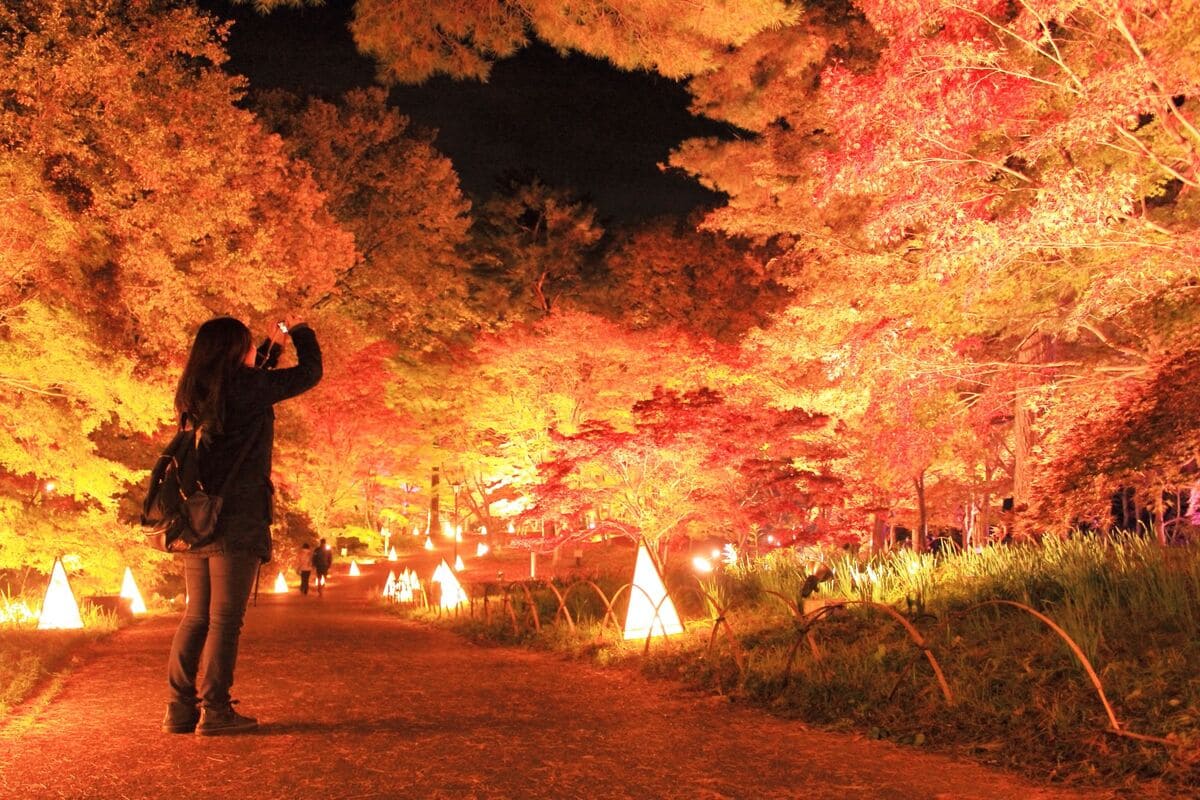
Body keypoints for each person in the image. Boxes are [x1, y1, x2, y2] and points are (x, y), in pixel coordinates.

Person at [163, 316, 322, 736]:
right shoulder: (246, 389)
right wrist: (300, 333)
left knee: (196, 615)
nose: (255, 351)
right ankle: (216, 711)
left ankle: (180, 710)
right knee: (224, 619)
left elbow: (248, 386)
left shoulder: (196, 390)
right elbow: (310, 374)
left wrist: (271, 350)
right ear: (235, 352)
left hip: (198, 515)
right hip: (237, 516)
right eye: (249, 346)